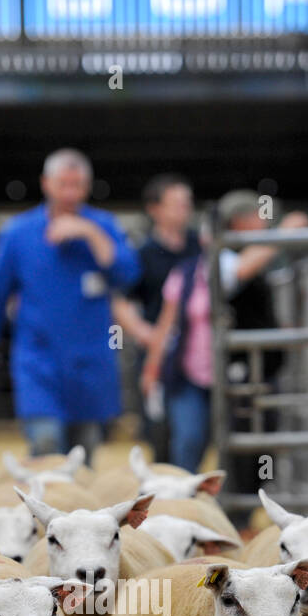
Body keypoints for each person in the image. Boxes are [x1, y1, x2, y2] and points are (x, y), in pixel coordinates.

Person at [0, 148, 139, 460]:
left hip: (90, 364)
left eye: (78, 185)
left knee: (82, 454)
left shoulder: (104, 225)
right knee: (46, 444)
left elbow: (128, 274)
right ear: (46, 183)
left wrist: (90, 233)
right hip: (38, 362)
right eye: (64, 184)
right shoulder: (18, 233)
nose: (71, 193)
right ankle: (43, 507)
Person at [217, 191, 308, 523]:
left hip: (263, 370)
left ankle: (247, 515)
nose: (265, 223)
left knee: (261, 443)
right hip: (244, 370)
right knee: (246, 444)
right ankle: (238, 518)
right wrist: (283, 233)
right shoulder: (225, 254)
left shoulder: (249, 257)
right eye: (260, 218)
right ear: (241, 221)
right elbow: (237, 273)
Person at [113, 174, 200, 460]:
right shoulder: (142, 254)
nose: (183, 210)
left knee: (194, 435)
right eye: (175, 204)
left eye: (186, 203)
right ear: (155, 209)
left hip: (197, 355)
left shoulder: (202, 248)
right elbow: (121, 301)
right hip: (160, 356)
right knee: (159, 431)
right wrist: (145, 334)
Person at [140, 239, 211, 472]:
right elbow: (166, 324)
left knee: (220, 443)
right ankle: (180, 494)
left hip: (231, 375)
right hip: (186, 372)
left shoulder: (233, 269)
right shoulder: (186, 273)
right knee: (187, 438)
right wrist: (152, 368)